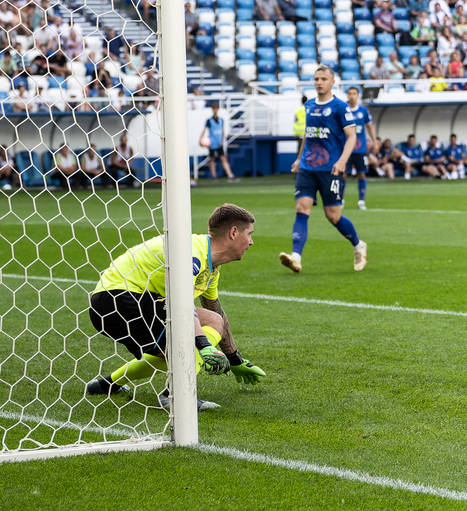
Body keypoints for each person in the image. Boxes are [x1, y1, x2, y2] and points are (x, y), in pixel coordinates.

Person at [85, 203, 266, 410]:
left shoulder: (211, 267)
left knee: (176, 355)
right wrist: (204, 345)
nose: (251, 242)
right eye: (249, 234)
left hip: (121, 302)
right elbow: (183, 304)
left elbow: (217, 314)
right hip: (120, 299)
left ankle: (107, 384)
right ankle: (175, 395)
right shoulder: (192, 254)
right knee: (184, 351)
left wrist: (235, 360)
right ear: (234, 232)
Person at [279, 66, 367, 273]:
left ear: (332, 82)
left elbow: (352, 136)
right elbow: (307, 135)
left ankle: (358, 245)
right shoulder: (309, 105)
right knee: (302, 209)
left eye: (324, 79)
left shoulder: (340, 107)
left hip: (331, 169)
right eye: (316, 79)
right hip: (307, 168)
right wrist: (299, 159)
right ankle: (296, 257)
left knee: (333, 216)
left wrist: (343, 160)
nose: (319, 82)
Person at [344, 87, 376, 210]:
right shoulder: (343, 110)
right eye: (350, 93)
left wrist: (375, 142)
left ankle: (361, 201)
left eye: (354, 94)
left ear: (358, 95)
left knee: (361, 174)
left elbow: (369, 127)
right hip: (346, 148)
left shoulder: (363, 110)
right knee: (343, 175)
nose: (352, 96)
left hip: (360, 149)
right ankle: (340, 200)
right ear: (347, 95)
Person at [198, 101, 238, 182]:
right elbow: (204, 130)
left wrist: (223, 141)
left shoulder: (221, 120)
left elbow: (222, 131)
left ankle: (230, 175)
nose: (215, 110)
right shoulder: (209, 120)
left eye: (216, 108)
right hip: (212, 142)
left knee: (223, 158)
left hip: (219, 142)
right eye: (214, 108)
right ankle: (214, 176)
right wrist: (200, 140)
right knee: (212, 159)